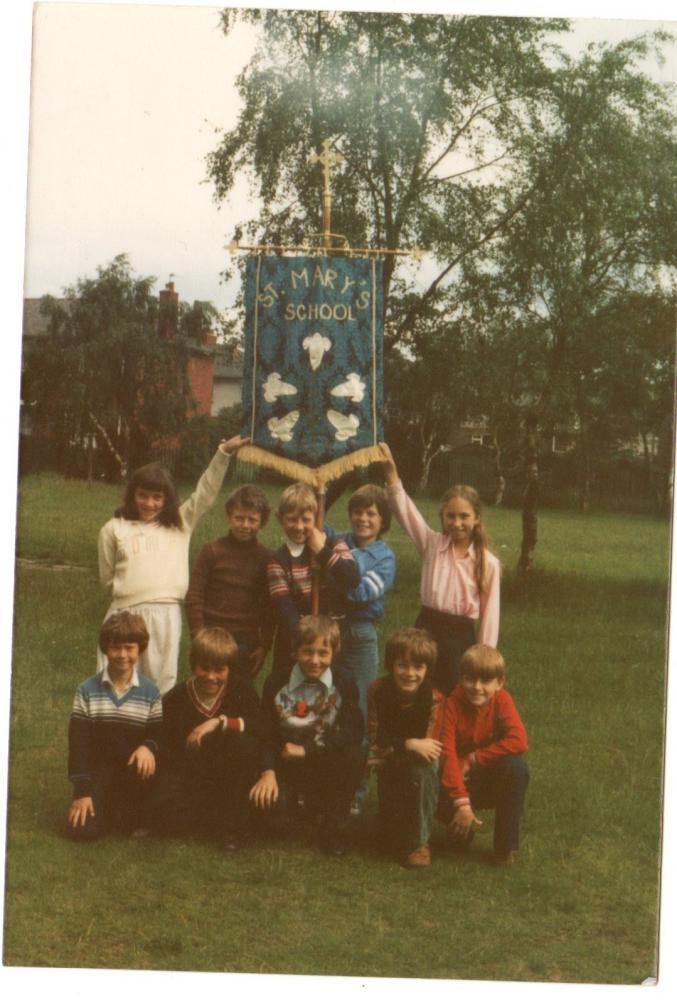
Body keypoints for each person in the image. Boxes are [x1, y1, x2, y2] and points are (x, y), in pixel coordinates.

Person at [97, 435, 248, 694]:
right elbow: (107, 579)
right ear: (132, 495)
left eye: (157, 497)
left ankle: (154, 734)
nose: (149, 503)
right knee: (115, 682)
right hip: (123, 614)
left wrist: (222, 453)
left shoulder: (179, 522)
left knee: (159, 686)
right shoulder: (114, 529)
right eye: (143, 496)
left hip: (165, 615)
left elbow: (205, 493)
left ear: (167, 499)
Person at [377, 442, 500, 695]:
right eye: (450, 516)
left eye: (464, 516)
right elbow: (405, 511)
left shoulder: (488, 563)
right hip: (425, 629)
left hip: (460, 639)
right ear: (442, 516)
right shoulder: (432, 544)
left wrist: (484, 656)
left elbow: (490, 614)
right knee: (417, 691)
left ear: (476, 518)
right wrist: (390, 471)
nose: (457, 523)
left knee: (454, 696)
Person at [249, 615, 364, 856]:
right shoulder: (276, 681)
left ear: (335, 652)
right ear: (294, 651)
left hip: (323, 760)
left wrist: (309, 749)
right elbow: (265, 732)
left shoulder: (344, 681)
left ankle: (333, 826)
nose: (314, 660)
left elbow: (354, 731)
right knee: (275, 820)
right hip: (286, 762)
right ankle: (296, 807)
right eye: (307, 651)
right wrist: (267, 771)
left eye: (323, 653)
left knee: (355, 753)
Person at [324, 483, 396, 811]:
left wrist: (333, 571)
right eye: (357, 512)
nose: (363, 519)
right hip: (329, 631)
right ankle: (321, 783)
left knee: (361, 712)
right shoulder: (339, 539)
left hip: (360, 636)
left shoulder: (385, 557)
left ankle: (355, 792)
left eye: (371, 513)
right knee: (325, 704)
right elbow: (312, 523)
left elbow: (360, 594)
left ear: (383, 520)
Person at [159, 627, 260, 851]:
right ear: (193, 665)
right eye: (204, 668)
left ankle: (231, 828)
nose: (211, 676)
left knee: (240, 741)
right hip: (191, 772)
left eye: (219, 669)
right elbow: (166, 745)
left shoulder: (241, 690)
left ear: (229, 669)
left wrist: (219, 722)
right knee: (167, 819)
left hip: (230, 775)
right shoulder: (176, 697)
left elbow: (259, 725)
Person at [66, 612, 163, 841]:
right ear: (105, 649)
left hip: (133, 775)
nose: (122, 655)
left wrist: (147, 746)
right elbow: (78, 744)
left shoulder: (151, 692)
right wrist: (82, 791)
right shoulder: (86, 690)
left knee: (151, 823)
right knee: (82, 832)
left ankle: (128, 812)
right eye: (115, 648)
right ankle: (105, 809)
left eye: (129, 648)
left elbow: (158, 734)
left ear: (139, 649)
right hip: (98, 772)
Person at [438, 644, 529, 865]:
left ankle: (504, 848)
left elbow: (519, 740)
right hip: (452, 780)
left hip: (483, 775)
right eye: (470, 679)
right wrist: (462, 802)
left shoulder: (502, 700)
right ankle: (459, 827)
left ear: (499, 683)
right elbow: (447, 755)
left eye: (486, 681)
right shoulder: (450, 704)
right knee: (456, 843)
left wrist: (475, 758)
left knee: (517, 768)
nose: (477, 687)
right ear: (461, 678)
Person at [266, 483, 360, 682]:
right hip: (295, 642)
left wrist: (322, 552)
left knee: (331, 692)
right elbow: (284, 607)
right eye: (291, 519)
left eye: (306, 520)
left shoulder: (333, 544)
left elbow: (352, 579)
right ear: (279, 518)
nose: (299, 526)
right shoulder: (278, 559)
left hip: (330, 642)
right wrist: (307, 641)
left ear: (317, 517)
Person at [368, 627, 445, 868]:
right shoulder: (377, 691)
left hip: (419, 765)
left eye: (418, 667)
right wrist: (408, 744)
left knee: (422, 769)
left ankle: (419, 843)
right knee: (389, 837)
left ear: (427, 669)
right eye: (402, 665)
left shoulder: (435, 698)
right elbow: (374, 740)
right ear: (391, 665)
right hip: (391, 758)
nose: (409, 673)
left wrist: (395, 748)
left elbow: (430, 749)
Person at [185, 484, 273, 676]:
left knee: (239, 697)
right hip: (211, 638)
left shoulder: (266, 558)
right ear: (228, 517)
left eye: (252, 520)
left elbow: (268, 606)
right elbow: (194, 596)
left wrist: (265, 645)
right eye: (239, 518)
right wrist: (198, 636)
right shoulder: (211, 551)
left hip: (245, 643)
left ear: (262, 522)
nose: (245, 525)